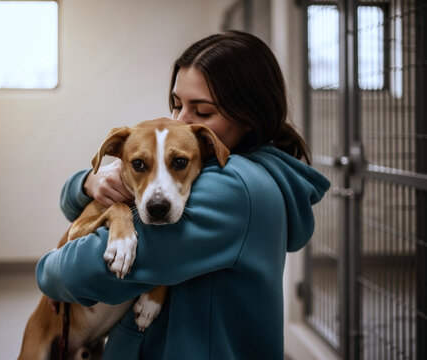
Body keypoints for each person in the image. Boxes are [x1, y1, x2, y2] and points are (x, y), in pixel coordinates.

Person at [36, 30, 330, 359]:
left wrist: (49, 269)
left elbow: (78, 273)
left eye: (202, 111)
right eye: (176, 105)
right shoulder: (209, 165)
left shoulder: (231, 188)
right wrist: (88, 183)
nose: (180, 122)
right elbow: (76, 201)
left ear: (250, 115)